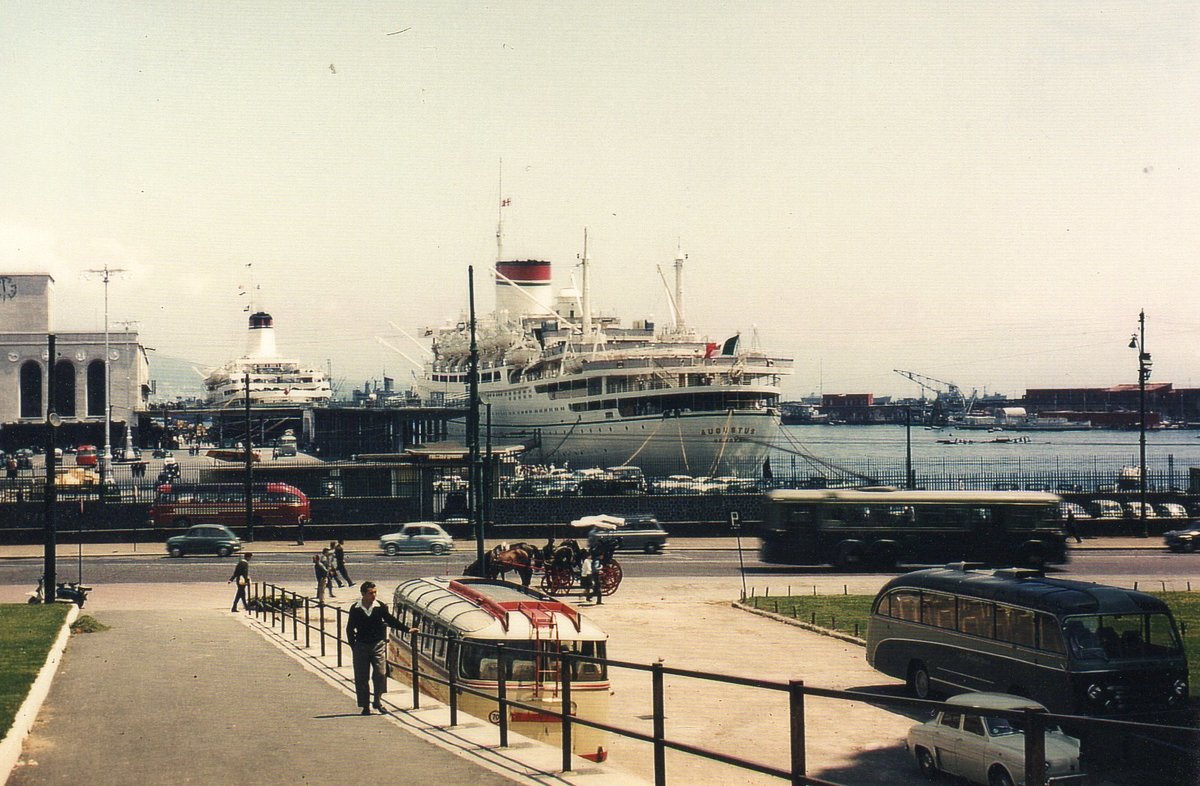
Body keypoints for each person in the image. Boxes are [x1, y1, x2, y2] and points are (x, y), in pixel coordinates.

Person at [346, 581, 404, 715]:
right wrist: (353, 645)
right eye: (370, 593)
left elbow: (390, 620)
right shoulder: (355, 609)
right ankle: (365, 705)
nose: (373, 595)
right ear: (363, 594)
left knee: (380, 674)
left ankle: (377, 701)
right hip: (361, 646)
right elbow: (350, 628)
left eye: (375, 592)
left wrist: (406, 629)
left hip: (377, 644)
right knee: (361, 677)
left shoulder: (380, 607)